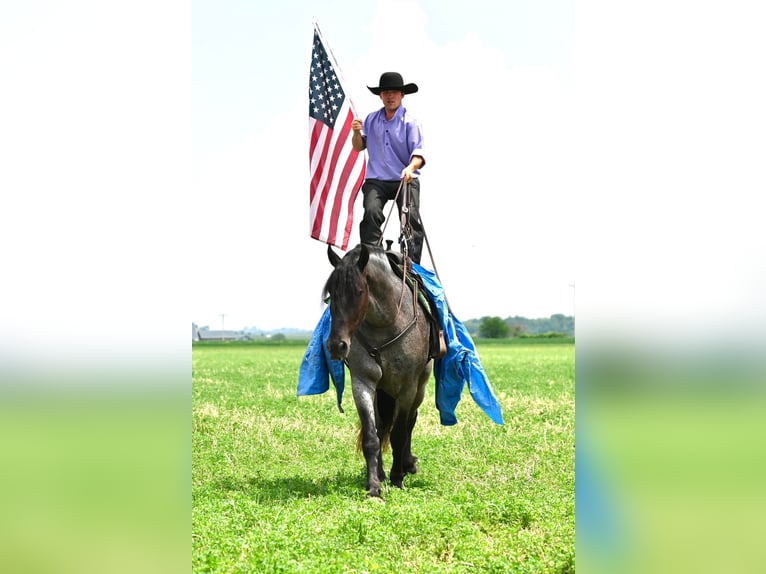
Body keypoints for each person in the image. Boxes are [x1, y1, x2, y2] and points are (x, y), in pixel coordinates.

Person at [351, 72, 426, 264]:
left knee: (411, 220)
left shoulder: (410, 122)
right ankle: (371, 259)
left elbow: (418, 154)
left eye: (394, 92)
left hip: (405, 179)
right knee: (371, 212)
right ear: (380, 96)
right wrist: (356, 132)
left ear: (402, 95)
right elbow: (359, 146)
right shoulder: (371, 119)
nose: (390, 96)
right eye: (386, 93)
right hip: (377, 179)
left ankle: (413, 264)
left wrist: (410, 168)